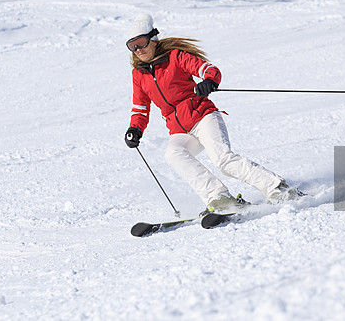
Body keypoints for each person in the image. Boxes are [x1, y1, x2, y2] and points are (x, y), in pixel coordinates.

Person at [123, 13, 301, 214]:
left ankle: (277, 188)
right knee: (174, 154)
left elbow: (208, 68)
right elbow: (140, 106)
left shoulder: (175, 57)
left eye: (141, 42)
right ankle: (219, 197)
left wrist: (209, 80)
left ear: (153, 39)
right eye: (132, 46)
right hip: (180, 130)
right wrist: (135, 128)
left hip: (203, 117)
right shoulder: (138, 74)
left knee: (223, 160)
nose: (138, 49)